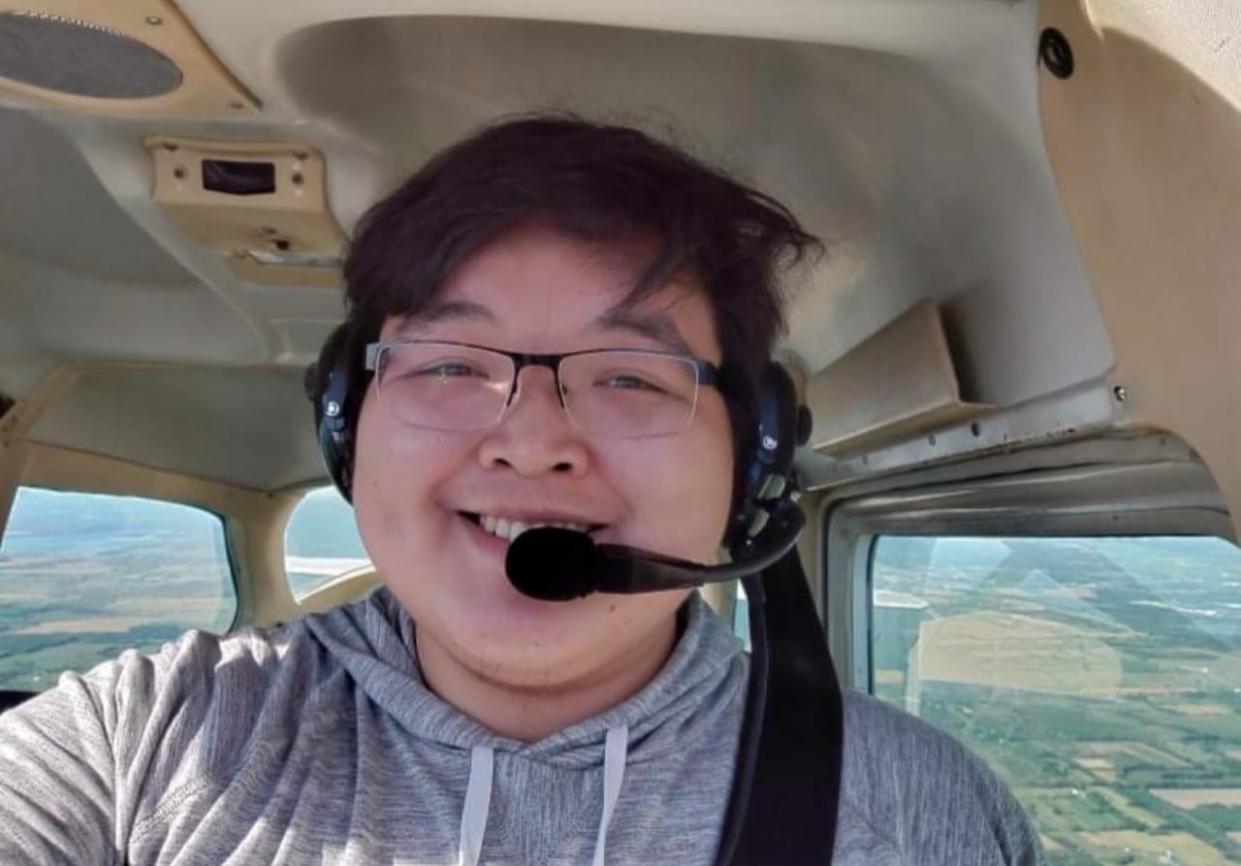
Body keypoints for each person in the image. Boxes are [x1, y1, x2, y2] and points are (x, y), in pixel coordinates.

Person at [0, 116, 1045, 865]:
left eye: (630, 375)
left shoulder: (920, 810)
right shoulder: (141, 737)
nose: (533, 441)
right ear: (343, 424)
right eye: (451, 362)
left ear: (755, 454)